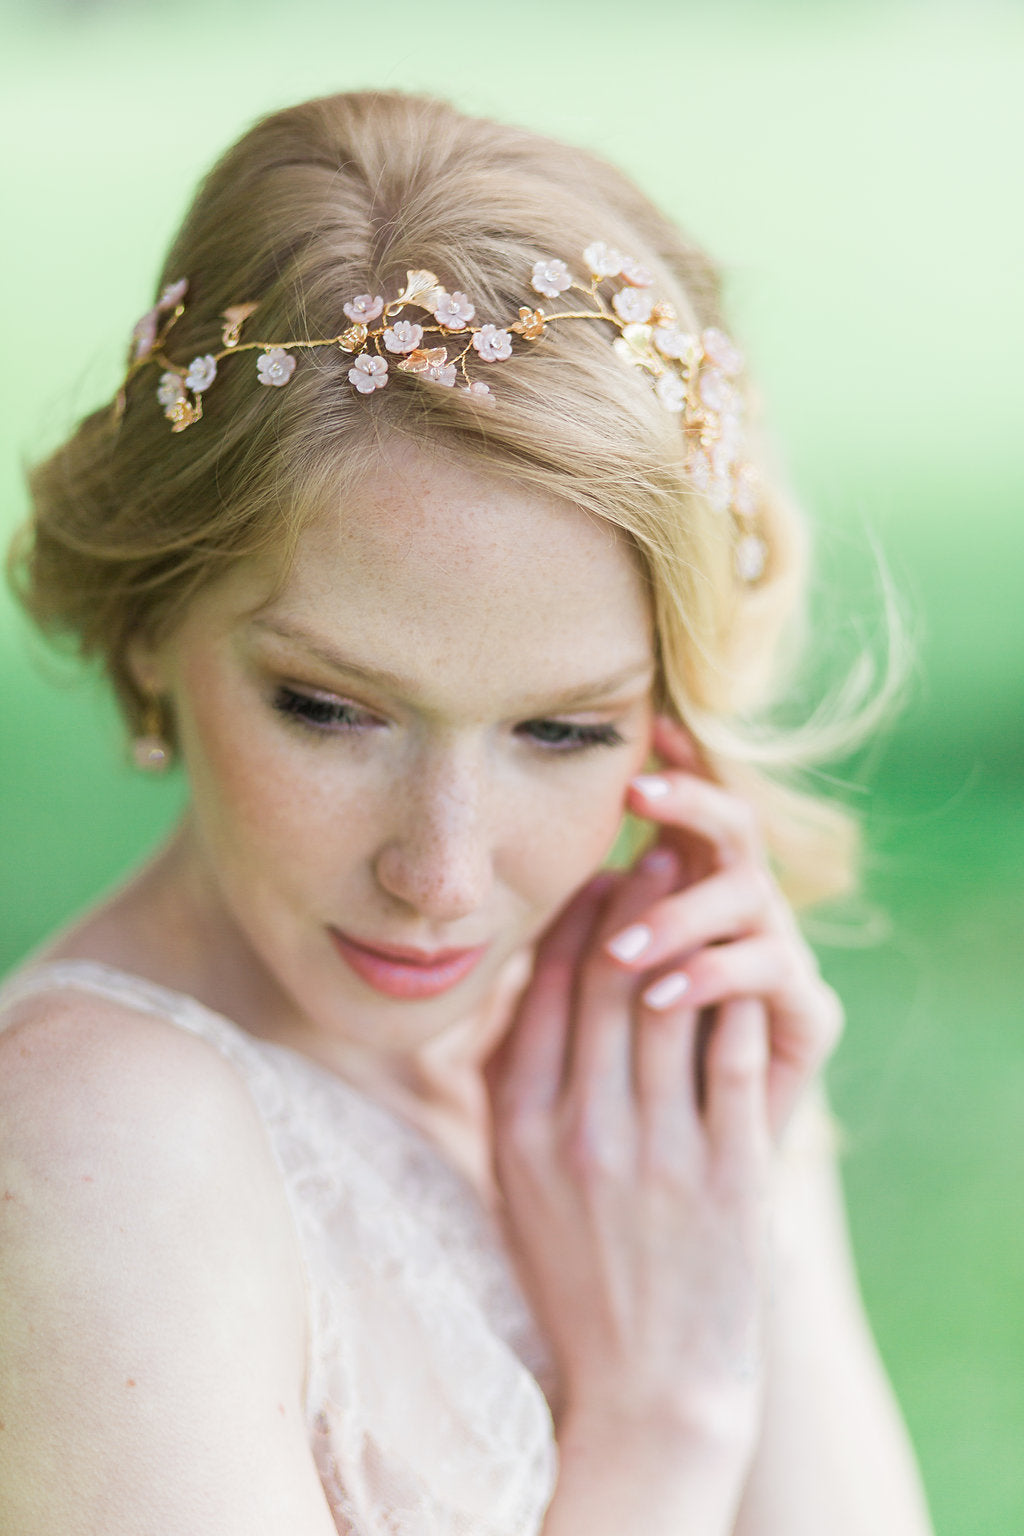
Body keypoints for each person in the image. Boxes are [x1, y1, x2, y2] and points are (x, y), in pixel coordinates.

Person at [0, 90, 933, 1535]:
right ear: (144, 627)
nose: (439, 874)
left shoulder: (630, 1077)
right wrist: (657, 1425)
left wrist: (756, 1168)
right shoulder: (92, 1145)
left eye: (563, 731)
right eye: (327, 708)